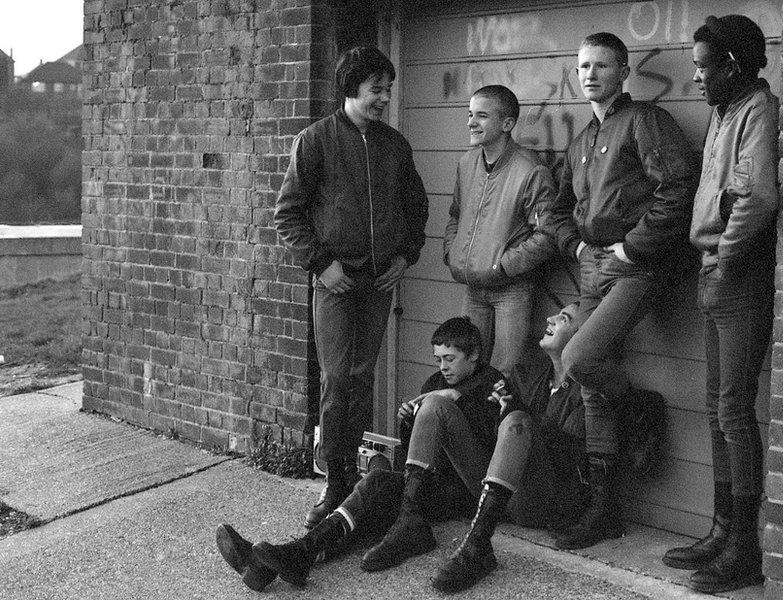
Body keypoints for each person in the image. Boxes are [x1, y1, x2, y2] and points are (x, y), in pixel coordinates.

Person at [215, 317, 550, 593]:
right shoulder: (433, 383)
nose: (442, 367)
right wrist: (408, 423)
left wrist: (455, 398)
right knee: (375, 491)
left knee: (379, 495)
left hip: (467, 489)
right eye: (438, 359)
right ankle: (287, 558)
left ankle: (292, 556)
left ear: (474, 355)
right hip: (428, 489)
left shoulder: (494, 382)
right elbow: (414, 457)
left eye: (451, 359)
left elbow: (500, 441)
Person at [543, 31, 697, 550]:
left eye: (602, 65)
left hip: (636, 266)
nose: (590, 74)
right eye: (583, 65)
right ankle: (604, 509)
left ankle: (639, 407)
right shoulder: (584, 138)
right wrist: (578, 248)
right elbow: (558, 209)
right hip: (593, 266)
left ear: (623, 71)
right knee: (586, 382)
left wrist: (633, 247)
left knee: (580, 355)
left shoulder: (646, 122)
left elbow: (678, 187)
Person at [273, 46, 429, 527]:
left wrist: (406, 256)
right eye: (375, 89)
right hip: (336, 283)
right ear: (351, 89)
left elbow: (416, 207)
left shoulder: (394, 145)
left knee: (362, 378)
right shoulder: (315, 141)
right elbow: (288, 214)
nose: (384, 98)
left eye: (388, 89)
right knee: (337, 377)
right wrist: (322, 265)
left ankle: (355, 479)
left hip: (379, 282)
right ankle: (335, 481)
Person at [662, 15, 778, 594]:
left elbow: (755, 198)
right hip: (714, 268)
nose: (697, 76)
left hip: (739, 274)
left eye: (706, 65)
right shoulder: (723, 112)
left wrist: (726, 258)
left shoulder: (758, 107)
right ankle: (720, 529)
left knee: (733, 406)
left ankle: (745, 550)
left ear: (734, 64)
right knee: (716, 405)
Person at [443, 84, 556, 379]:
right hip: (472, 286)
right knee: (466, 368)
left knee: (504, 374)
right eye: (470, 114)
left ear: (507, 124)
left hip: (511, 290)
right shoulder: (466, 163)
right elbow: (456, 215)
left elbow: (547, 234)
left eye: (481, 116)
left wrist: (503, 266)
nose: (471, 122)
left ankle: (503, 426)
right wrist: (453, 253)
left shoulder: (531, 169)